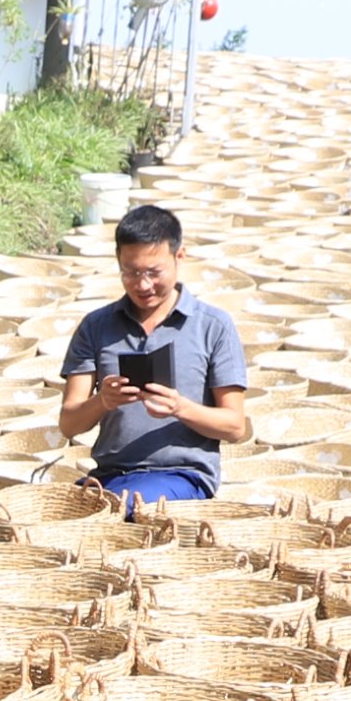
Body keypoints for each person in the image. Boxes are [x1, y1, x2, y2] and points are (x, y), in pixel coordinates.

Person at [58, 201, 251, 505]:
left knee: (122, 506)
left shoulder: (213, 326)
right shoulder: (96, 326)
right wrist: (102, 401)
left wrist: (179, 407)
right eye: (131, 272)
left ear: (179, 256)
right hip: (111, 474)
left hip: (182, 474)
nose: (143, 284)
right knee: (60, 511)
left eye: (153, 272)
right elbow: (69, 423)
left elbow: (235, 426)